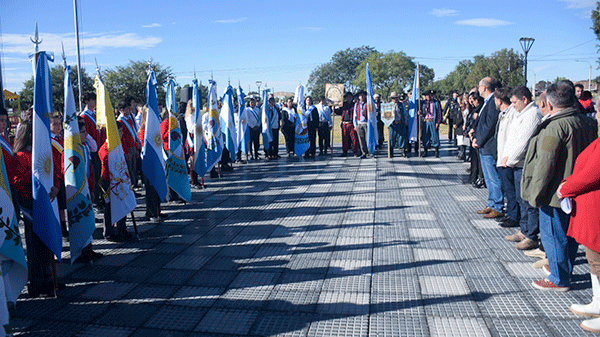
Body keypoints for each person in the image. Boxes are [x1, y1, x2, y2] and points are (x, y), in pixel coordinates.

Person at [521, 81, 598, 291]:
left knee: (554, 235)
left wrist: (535, 194)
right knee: (571, 235)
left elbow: (545, 164)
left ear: (550, 104)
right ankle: (563, 269)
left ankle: (558, 277)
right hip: (578, 190)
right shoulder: (588, 122)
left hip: (555, 192)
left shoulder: (554, 126)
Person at [560, 108, 600, 332]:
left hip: (596, 212)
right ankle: (598, 301)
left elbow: (593, 173)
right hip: (590, 211)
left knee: (599, 259)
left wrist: (567, 187)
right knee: (594, 259)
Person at [12, 120, 62, 297]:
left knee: (47, 241)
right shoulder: (20, 156)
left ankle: (50, 278)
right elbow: (17, 182)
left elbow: (53, 172)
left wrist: (56, 186)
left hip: (47, 202)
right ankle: (36, 281)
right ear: (28, 134)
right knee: (34, 245)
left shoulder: (42, 151)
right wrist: (32, 172)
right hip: (31, 205)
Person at [499, 86, 542, 251]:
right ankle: (524, 230)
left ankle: (531, 235)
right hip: (515, 163)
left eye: (515, 102)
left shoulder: (532, 115)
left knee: (528, 201)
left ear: (525, 99)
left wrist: (509, 159)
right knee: (520, 198)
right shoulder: (520, 114)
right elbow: (512, 138)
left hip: (524, 164)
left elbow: (523, 141)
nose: (513, 106)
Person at [473, 77, 504, 219]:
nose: (478, 89)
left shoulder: (492, 102)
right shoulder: (487, 102)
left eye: (479, 86)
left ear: (484, 88)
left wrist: (479, 140)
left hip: (489, 145)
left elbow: (489, 125)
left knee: (493, 178)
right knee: (488, 177)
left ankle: (497, 205)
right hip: (483, 145)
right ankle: (492, 203)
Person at [99, 122, 133, 242]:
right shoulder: (105, 148)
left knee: (122, 204)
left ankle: (122, 229)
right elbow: (108, 164)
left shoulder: (118, 146)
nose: (122, 133)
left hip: (119, 180)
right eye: (120, 131)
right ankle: (109, 232)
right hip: (108, 181)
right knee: (109, 208)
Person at [420, 90, 442, 157]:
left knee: (435, 136)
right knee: (425, 136)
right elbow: (421, 112)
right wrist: (420, 113)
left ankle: (436, 151)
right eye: (427, 95)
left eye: (429, 95)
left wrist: (438, 122)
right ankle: (425, 150)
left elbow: (439, 113)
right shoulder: (423, 103)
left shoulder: (436, 102)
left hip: (433, 121)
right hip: (426, 121)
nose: (428, 97)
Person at [338, 92, 360, 157]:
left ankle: (355, 152)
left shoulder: (354, 105)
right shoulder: (343, 104)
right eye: (347, 97)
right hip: (344, 123)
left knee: (354, 138)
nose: (349, 98)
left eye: (350, 96)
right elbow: (339, 112)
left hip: (351, 123)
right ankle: (344, 152)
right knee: (344, 138)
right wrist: (333, 109)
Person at [388, 91, 409, 158]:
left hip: (400, 123)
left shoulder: (401, 104)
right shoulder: (389, 105)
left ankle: (403, 151)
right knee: (392, 138)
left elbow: (405, 113)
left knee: (402, 137)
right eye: (393, 98)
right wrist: (387, 123)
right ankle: (391, 152)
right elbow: (385, 115)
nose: (395, 99)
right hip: (392, 124)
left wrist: (406, 121)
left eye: (396, 97)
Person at [353, 91, 370, 158]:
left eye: (363, 95)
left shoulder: (368, 104)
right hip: (359, 123)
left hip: (367, 123)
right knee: (361, 139)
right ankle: (364, 152)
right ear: (359, 97)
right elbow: (355, 115)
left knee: (367, 139)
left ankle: (369, 152)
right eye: (360, 96)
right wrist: (355, 125)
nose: (362, 97)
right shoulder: (356, 104)